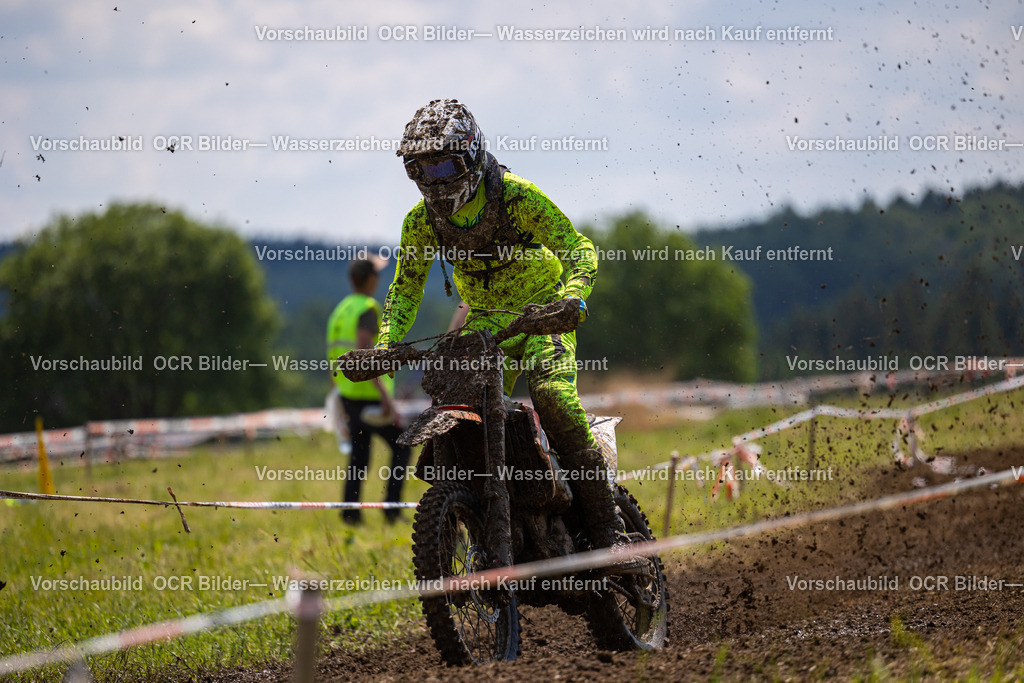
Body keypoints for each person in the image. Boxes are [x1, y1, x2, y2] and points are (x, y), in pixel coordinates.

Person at [377, 98, 622, 550]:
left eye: (445, 166)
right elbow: (406, 289)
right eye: (421, 171)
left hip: (542, 315)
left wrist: (574, 296)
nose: (435, 181)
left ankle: (610, 528)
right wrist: (385, 346)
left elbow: (576, 246)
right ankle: (488, 515)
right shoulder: (420, 222)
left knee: (552, 397)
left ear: (470, 153)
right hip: (484, 328)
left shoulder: (516, 197)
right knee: (454, 411)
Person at [327, 257, 410, 524]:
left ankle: (350, 514)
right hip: (369, 397)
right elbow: (366, 354)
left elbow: (333, 357)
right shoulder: (368, 308)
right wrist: (387, 398)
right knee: (403, 446)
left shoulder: (340, 310)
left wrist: (337, 396)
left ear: (352, 280)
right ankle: (392, 509)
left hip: (347, 395)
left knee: (359, 455)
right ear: (371, 279)